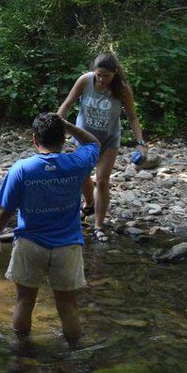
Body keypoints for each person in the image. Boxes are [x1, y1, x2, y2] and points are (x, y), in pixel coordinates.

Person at [0, 113, 101, 345]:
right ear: (63, 139)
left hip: (30, 243)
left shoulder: (22, 169)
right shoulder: (77, 164)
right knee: (68, 306)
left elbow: (4, 210)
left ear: (34, 140)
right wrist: (68, 124)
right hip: (68, 245)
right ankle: (73, 353)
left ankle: (21, 352)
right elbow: (93, 143)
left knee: (24, 302)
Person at [56, 52, 145, 244]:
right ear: (93, 71)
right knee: (82, 174)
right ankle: (88, 204)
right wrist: (55, 125)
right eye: (99, 74)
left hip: (109, 139)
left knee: (102, 180)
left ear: (115, 73)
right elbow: (68, 103)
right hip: (84, 138)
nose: (102, 79)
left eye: (106, 75)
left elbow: (133, 117)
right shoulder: (85, 81)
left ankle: (98, 225)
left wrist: (141, 144)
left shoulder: (122, 89)